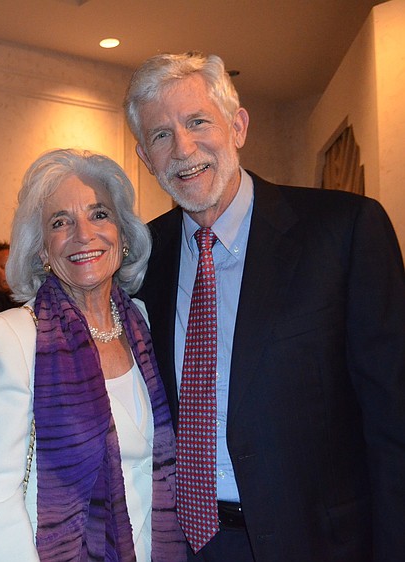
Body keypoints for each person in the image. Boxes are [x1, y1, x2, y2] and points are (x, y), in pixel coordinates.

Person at [124, 51, 405, 562]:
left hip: (320, 544)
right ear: (146, 157)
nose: (183, 148)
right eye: (161, 135)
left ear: (238, 126)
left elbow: (393, 419)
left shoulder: (344, 231)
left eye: (197, 121)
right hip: (184, 544)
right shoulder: (142, 259)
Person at [0, 148, 186, 562]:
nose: (83, 234)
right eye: (60, 222)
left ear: (123, 234)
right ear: (42, 251)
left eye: (99, 214)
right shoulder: (9, 338)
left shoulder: (145, 323)